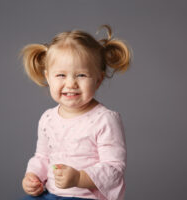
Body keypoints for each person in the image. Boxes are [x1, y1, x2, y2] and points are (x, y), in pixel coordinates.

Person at [20, 25, 131, 200]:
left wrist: (79, 178)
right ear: (48, 77)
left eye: (81, 75)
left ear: (98, 79)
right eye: (61, 75)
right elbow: (42, 156)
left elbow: (113, 169)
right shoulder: (48, 118)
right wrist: (32, 176)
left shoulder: (104, 120)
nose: (71, 83)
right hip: (51, 194)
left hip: (87, 197)